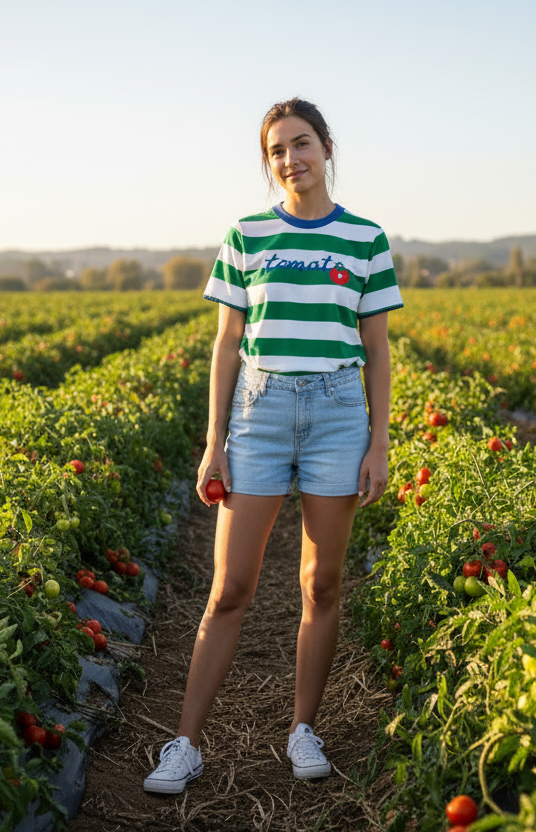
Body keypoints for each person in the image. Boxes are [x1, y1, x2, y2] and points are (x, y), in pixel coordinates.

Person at [142, 97, 403, 795]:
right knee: (230, 589)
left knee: (322, 582)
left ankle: (302, 730)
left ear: (326, 148)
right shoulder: (247, 235)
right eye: (277, 150)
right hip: (257, 414)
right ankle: (185, 743)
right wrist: (213, 444)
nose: (291, 158)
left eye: (302, 143)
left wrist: (379, 441)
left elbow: (377, 349)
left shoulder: (367, 239)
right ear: (270, 163)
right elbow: (226, 344)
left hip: (338, 413)